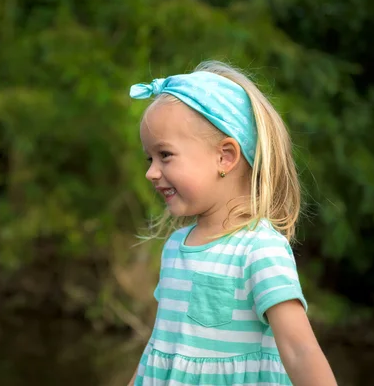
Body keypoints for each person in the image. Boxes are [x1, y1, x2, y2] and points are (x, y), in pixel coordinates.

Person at [126, 61, 337, 386]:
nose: (151, 172)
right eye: (149, 158)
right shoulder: (174, 249)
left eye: (165, 155)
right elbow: (159, 349)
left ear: (225, 157)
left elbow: (299, 351)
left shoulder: (259, 248)